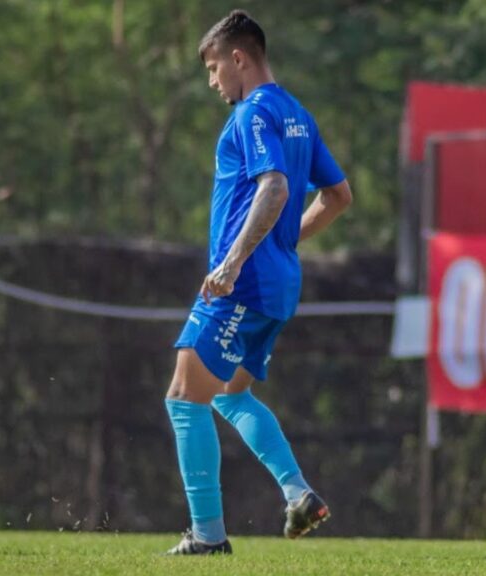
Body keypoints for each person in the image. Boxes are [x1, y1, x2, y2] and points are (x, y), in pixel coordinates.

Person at [163, 9, 353, 556]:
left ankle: (207, 538)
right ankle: (298, 494)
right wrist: (282, 245)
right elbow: (339, 197)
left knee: (183, 398)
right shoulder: (298, 114)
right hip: (278, 286)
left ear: (238, 58)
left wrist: (234, 262)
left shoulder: (252, 114)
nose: (212, 80)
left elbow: (273, 187)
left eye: (213, 66)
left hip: (242, 286)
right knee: (228, 395)